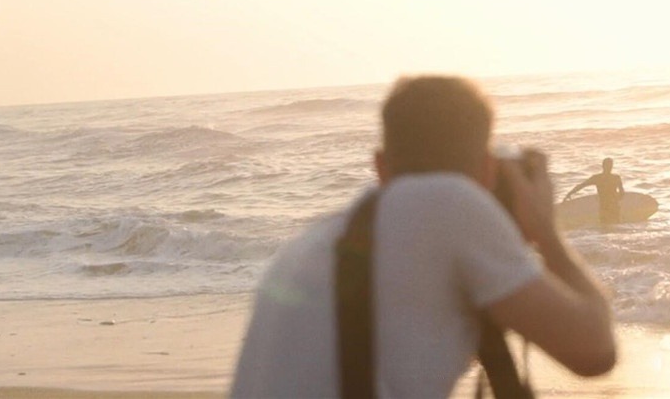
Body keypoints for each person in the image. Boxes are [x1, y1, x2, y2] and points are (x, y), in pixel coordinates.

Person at [230, 76, 616, 398]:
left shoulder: (314, 240)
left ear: (380, 166)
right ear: (487, 168)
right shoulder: (451, 201)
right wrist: (546, 234)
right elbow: (595, 352)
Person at [562, 158, 624, 225]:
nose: (609, 167)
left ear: (603, 166)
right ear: (611, 166)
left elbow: (582, 185)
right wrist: (616, 200)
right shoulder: (616, 178)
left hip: (604, 207)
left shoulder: (597, 178)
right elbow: (622, 193)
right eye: (609, 166)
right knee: (616, 225)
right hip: (614, 206)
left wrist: (569, 194)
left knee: (605, 226)